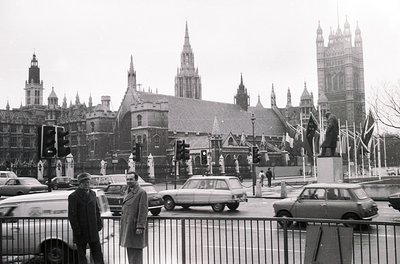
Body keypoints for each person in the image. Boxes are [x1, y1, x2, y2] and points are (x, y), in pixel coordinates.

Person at [68, 172, 104, 264]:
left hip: (93, 230)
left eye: (88, 182)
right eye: (84, 183)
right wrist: (77, 230)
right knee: (82, 256)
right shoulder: (73, 196)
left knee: (98, 255)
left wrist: (99, 224)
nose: (87, 184)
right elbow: (72, 215)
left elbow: (97, 211)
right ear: (80, 184)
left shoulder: (93, 194)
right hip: (81, 231)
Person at [120, 172, 148, 264]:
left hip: (135, 228)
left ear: (136, 180)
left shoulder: (141, 192)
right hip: (128, 227)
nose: (129, 181)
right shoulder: (128, 191)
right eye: (127, 179)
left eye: (131, 179)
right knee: (130, 252)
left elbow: (143, 211)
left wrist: (140, 226)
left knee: (136, 254)